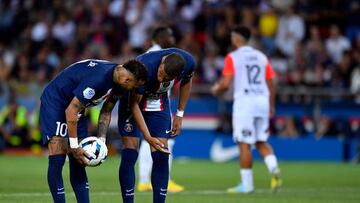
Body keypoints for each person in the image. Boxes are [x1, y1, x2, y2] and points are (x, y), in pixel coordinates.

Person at [40, 59, 147, 203]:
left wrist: (101, 140)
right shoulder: (99, 78)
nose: (130, 88)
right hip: (56, 102)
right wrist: (73, 144)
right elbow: (71, 109)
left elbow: (106, 112)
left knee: (79, 160)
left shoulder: (120, 84)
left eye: (133, 86)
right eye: (132, 84)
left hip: (76, 107)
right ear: (125, 75)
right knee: (58, 156)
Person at [105, 48, 194, 203]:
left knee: (161, 154)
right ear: (162, 62)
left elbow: (187, 81)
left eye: (165, 78)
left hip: (158, 104)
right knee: (131, 150)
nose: (160, 78)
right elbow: (134, 105)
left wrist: (179, 114)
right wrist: (147, 136)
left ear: (175, 76)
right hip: (132, 101)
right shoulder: (145, 66)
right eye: (160, 72)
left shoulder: (189, 63)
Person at [211, 26, 281, 193]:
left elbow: (226, 83)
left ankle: (247, 185)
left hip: (245, 103)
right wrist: (271, 105)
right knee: (261, 141)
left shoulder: (233, 57)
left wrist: (217, 89)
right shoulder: (261, 56)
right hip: (262, 101)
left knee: (244, 144)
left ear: (235, 38)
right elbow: (271, 82)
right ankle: (274, 169)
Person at [137, 26, 184, 193]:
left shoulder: (160, 54)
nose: (172, 40)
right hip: (153, 104)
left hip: (156, 102)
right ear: (162, 38)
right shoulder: (158, 54)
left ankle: (144, 180)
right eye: (169, 36)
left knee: (149, 142)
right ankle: (163, 180)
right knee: (163, 142)